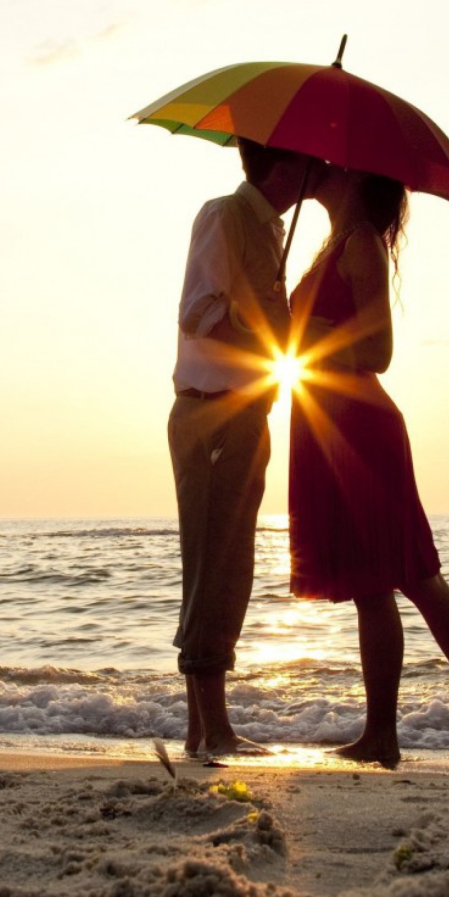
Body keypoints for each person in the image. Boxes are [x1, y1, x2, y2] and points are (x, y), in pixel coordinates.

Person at [288, 163, 449, 769]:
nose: (316, 168)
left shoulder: (361, 240)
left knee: (412, 572)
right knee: (371, 585)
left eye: (330, 165)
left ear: (354, 177)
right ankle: (383, 734)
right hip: (327, 423)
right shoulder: (333, 243)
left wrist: (311, 332)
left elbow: (379, 351)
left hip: (359, 426)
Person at [170, 138, 311, 758]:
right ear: (281, 163)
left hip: (245, 411)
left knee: (234, 566)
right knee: (213, 566)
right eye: (308, 160)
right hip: (212, 411)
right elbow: (199, 310)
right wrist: (266, 340)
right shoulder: (226, 215)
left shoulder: (271, 230)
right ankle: (213, 730)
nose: (318, 170)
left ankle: (205, 731)